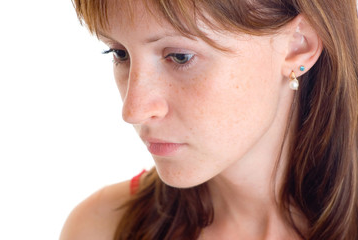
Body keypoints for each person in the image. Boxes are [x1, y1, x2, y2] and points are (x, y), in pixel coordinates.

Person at [60, 0, 358, 239]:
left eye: (179, 57)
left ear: (297, 45)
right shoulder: (101, 228)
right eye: (119, 53)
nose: (133, 110)